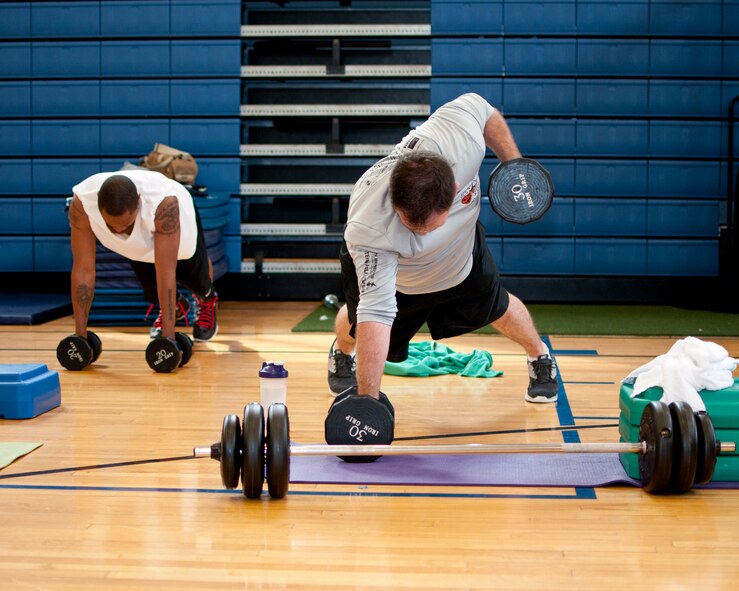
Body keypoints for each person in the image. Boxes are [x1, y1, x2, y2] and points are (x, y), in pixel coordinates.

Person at [327, 93, 558, 404]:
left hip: (459, 257)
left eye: (429, 224)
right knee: (359, 323)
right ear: (396, 197)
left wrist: (513, 166)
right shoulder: (370, 228)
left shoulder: (460, 142)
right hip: (398, 277)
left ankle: (539, 356)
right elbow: (374, 313)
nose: (421, 232)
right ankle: (342, 352)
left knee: (499, 306)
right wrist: (368, 402)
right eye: (411, 223)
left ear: (452, 192)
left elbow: (484, 111)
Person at [68, 170, 218, 344]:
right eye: (111, 225)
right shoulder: (82, 203)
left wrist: (168, 339)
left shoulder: (164, 203)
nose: (117, 230)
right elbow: (83, 269)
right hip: (142, 230)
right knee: (151, 286)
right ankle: (175, 306)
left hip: (176, 217)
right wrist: (80, 337)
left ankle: (207, 299)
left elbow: (166, 272)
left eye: (123, 225)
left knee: (194, 278)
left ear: (138, 203)